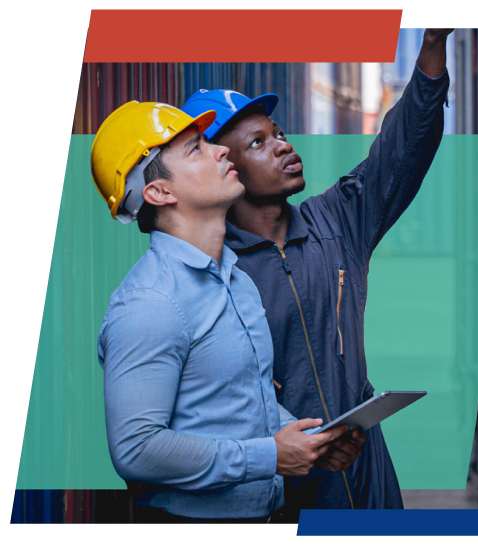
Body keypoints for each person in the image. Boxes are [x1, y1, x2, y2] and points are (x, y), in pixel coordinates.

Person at [180, 28, 454, 515]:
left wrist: (432, 43)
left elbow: (402, 149)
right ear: (224, 166)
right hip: (283, 487)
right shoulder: (212, 271)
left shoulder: (337, 222)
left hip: (365, 471)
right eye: (258, 143)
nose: (283, 145)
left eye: (279, 133)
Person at [92, 101, 364, 524]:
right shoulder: (150, 302)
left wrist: (311, 441)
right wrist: (269, 456)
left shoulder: (236, 279)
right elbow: (136, 449)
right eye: (196, 149)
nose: (220, 150)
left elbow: (242, 400)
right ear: (160, 192)